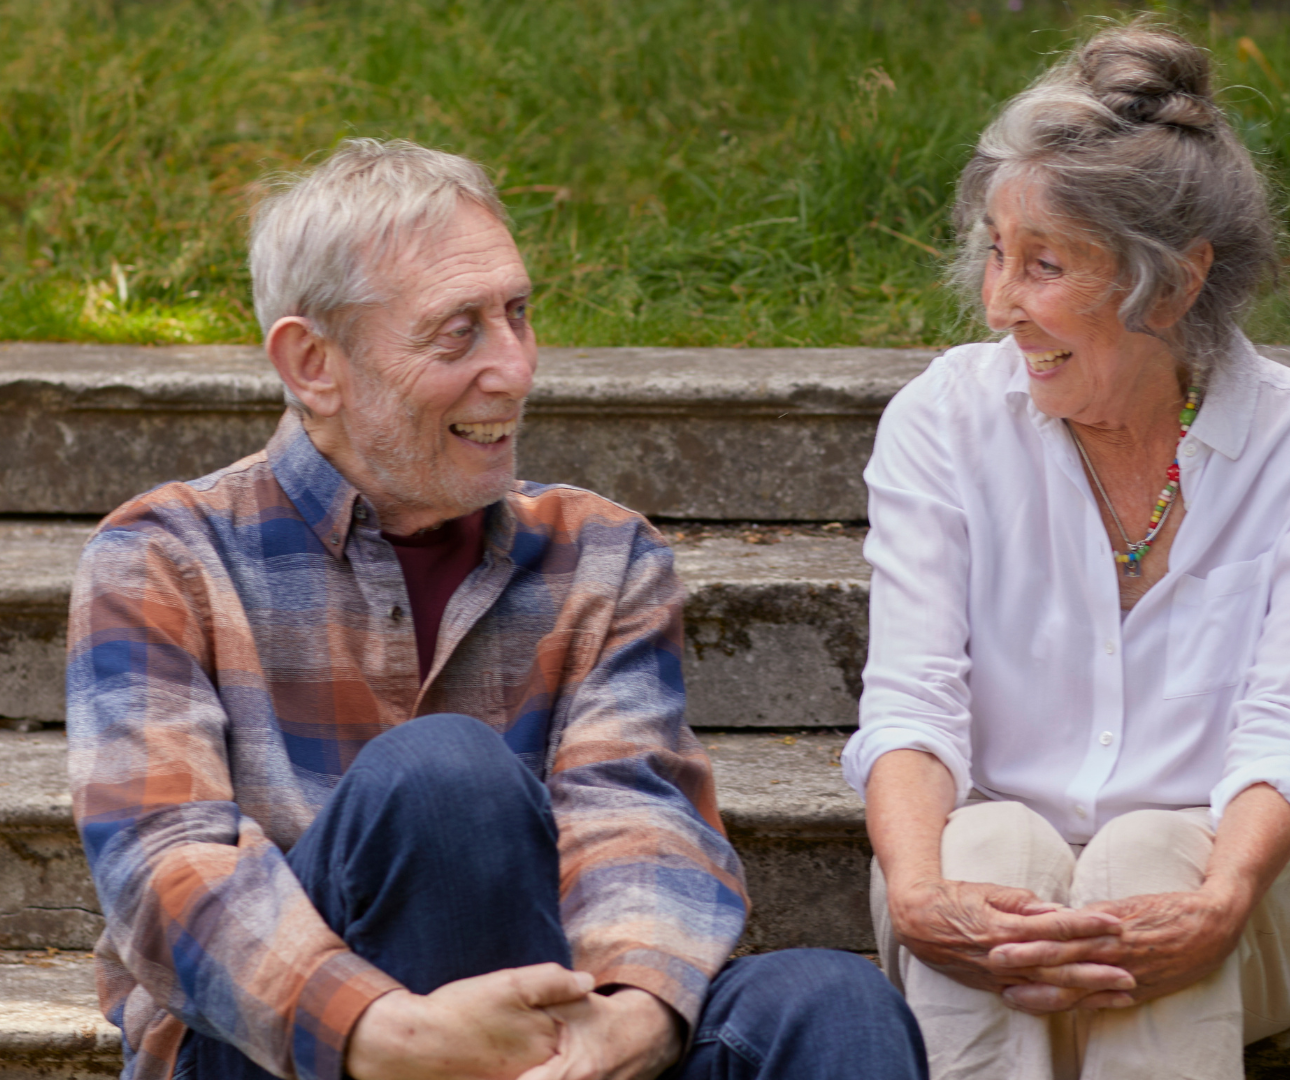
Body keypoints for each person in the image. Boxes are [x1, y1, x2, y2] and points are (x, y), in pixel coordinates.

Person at [67, 138, 927, 1080]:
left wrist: (635, 1014)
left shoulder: (602, 554)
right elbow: (164, 870)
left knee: (832, 1006)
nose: (513, 368)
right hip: (288, 1051)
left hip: (558, 1032)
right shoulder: (165, 557)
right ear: (314, 363)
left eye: (517, 313)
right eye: (458, 331)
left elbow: (631, 812)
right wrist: (384, 1032)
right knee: (445, 781)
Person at [841, 22, 1290, 1080]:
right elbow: (911, 700)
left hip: (1240, 901)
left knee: (1150, 858)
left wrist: (1223, 896)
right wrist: (918, 892)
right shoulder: (945, 420)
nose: (1001, 303)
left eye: (1045, 266)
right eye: (997, 255)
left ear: (1175, 283)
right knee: (994, 844)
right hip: (971, 885)